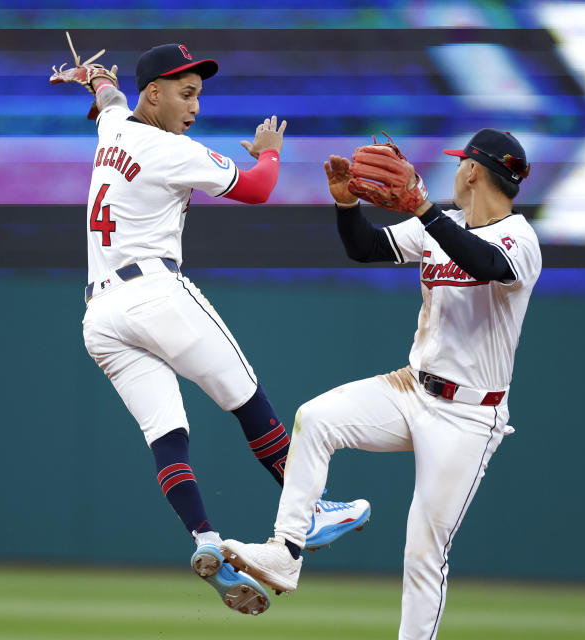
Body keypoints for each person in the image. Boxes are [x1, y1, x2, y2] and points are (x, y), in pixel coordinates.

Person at [49, 40, 370, 616]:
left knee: (166, 433)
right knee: (248, 399)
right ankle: (312, 510)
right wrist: (270, 152)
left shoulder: (117, 127)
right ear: (155, 93)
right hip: (154, 291)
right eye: (185, 92)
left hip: (99, 315)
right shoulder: (169, 149)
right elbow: (258, 188)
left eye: (199, 93)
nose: (195, 105)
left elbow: (111, 98)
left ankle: (204, 541)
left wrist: (92, 78)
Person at [221, 129, 541, 637]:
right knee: (317, 418)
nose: (455, 171)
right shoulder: (445, 223)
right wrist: (346, 205)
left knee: (423, 551)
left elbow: (485, 264)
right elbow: (365, 247)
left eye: (461, 163)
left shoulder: (519, 239)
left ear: (474, 171)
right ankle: (286, 552)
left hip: (469, 417)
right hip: (411, 388)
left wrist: (423, 210)